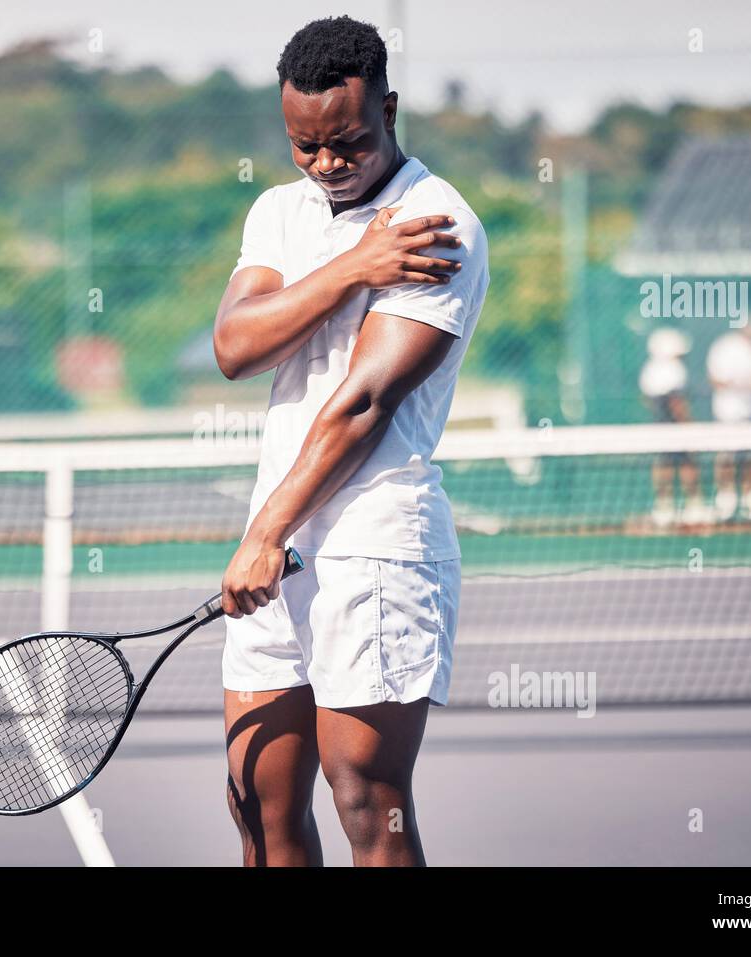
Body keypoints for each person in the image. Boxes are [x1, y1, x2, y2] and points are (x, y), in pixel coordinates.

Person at [212, 15, 488, 866]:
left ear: (390, 109)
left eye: (349, 142)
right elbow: (235, 346)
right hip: (278, 542)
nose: (329, 163)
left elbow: (362, 402)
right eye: (306, 146)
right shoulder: (279, 212)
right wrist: (351, 269)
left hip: (373, 544)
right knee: (256, 798)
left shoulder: (436, 224)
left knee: (366, 795)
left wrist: (264, 533)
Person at [638, 327, 711, 526]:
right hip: (675, 426)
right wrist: (689, 426)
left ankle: (664, 506)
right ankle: (694, 506)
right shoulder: (674, 369)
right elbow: (676, 402)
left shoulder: (649, 369)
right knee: (687, 463)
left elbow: (647, 400)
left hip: (659, 425)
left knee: (664, 463)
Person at [707, 319, 751, 520]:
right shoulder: (725, 348)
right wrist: (737, 385)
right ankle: (726, 498)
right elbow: (715, 380)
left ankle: (750, 497)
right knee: (726, 456)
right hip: (727, 414)